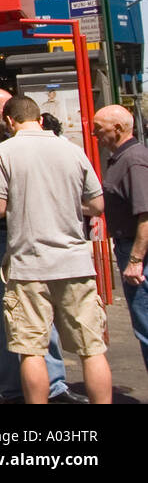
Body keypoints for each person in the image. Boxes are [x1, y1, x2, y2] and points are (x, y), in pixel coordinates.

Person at [0, 89, 85, 403]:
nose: (15, 110)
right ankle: (13, 389)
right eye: (6, 106)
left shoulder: (13, 144)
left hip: (29, 236)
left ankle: (53, 386)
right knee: (7, 319)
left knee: (43, 313)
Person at [0, 96, 112, 404]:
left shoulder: (2, 151)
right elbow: (97, 204)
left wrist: (24, 202)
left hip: (29, 266)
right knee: (91, 349)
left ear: (11, 121)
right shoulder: (71, 149)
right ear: (40, 119)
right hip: (74, 263)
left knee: (31, 350)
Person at [93, 104, 148, 374]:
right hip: (131, 248)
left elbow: (146, 214)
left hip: (139, 253)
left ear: (117, 129)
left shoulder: (133, 160)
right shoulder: (122, 158)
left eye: (98, 129)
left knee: (146, 326)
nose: (94, 134)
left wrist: (136, 260)